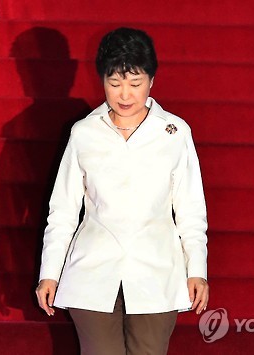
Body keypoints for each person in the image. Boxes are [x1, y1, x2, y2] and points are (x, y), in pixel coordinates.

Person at [36, 27, 209, 355]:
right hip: (92, 271)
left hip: (156, 272)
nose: (125, 95)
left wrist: (197, 269)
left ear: (152, 81)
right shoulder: (84, 133)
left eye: (135, 83)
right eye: (115, 84)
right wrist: (50, 272)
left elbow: (190, 210)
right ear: (102, 81)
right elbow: (63, 211)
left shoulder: (174, 133)